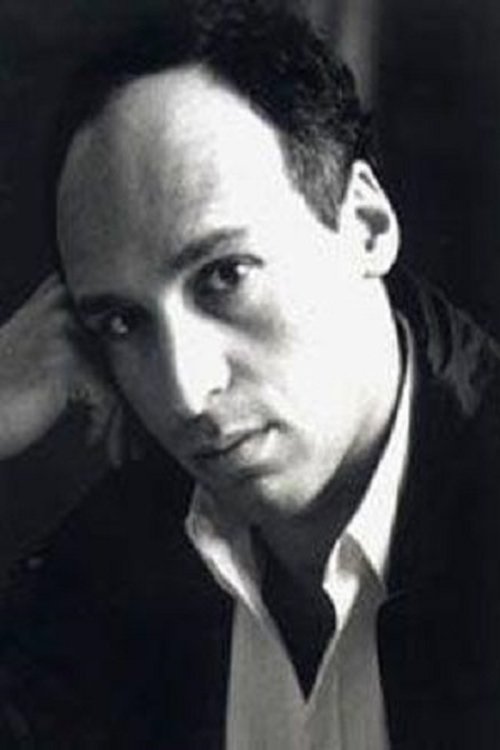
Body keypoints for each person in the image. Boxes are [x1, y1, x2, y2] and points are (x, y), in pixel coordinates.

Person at [0, 1, 500, 747]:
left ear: (367, 226)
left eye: (225, 275)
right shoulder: (113, 574)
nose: (183, 391)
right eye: (123, 321)